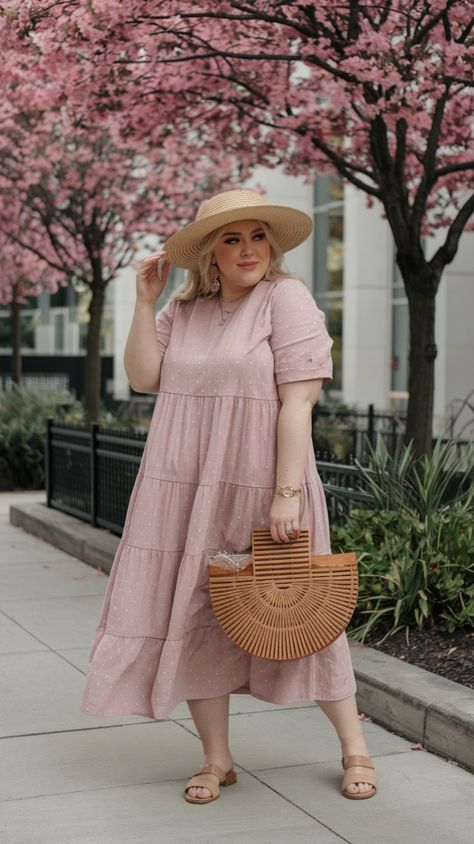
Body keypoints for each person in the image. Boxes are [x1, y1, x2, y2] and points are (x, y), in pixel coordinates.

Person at [80, 189, 377, 804]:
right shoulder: (184, 313)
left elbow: (299, 402)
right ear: (210, 253)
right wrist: (143, 303)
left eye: (258, 236)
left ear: (272, 245)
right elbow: (143, 377)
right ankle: (217, 758)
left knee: (304, 615)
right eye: (232, 238)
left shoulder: (285, 298)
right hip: (186, 489)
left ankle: (355, 748)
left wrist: (286, 494)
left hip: (267, 483)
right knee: (193, 618)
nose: (248, 249)